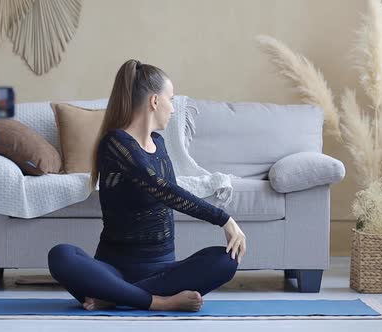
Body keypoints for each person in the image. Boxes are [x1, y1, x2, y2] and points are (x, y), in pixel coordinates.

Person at [47, 59, 246, 312]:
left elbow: (167, 192)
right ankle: (157, 301)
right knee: (61, 256)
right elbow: (163, 189)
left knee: (226, 260)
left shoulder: (159, 144)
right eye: (170, 99)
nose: (173, 109)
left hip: (161, 273)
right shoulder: (116, 143)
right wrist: (224, 219)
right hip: (111, 270)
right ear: (154, 101)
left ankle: (118, 297)